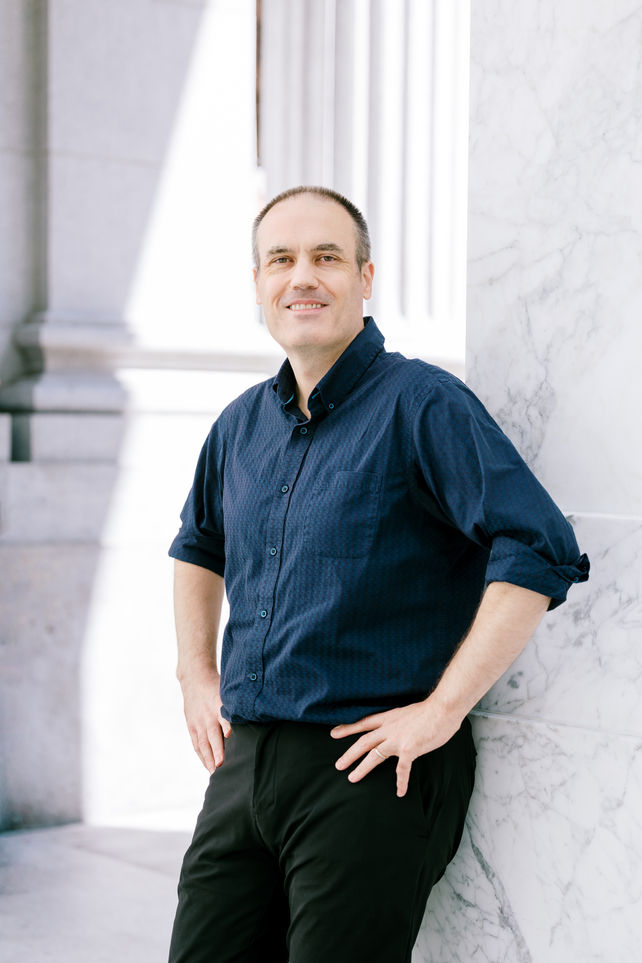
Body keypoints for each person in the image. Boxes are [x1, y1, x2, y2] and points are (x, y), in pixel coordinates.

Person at [167, 185, 589, 963]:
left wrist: (441, 710)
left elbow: (538, 546)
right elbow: (198, 545)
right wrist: (196, 674)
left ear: (365, 277)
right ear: (258, 283)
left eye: (327, 256)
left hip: (368, 770)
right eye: (281, 260)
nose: (303, 277)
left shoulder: (422, 404)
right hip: (244, 766)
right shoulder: (239, 425)